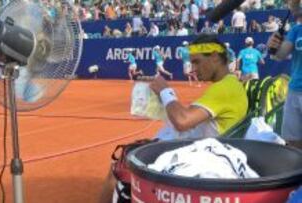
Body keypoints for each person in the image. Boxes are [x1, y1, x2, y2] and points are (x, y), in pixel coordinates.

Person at [99, 34, 248, 203]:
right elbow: (187, 118)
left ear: (214, 57)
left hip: (198, 158)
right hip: (196, 150)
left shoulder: (226, 88)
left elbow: (182, 120)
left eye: (197, 62)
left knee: (120, 168)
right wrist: (160, 96)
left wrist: (165, 91)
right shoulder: (228, 85)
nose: (193, 68)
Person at [267, 2, 302, 148]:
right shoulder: (296, 30)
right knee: (293, 143)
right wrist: (272, 47)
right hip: (295, 91)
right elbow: (280, 55)